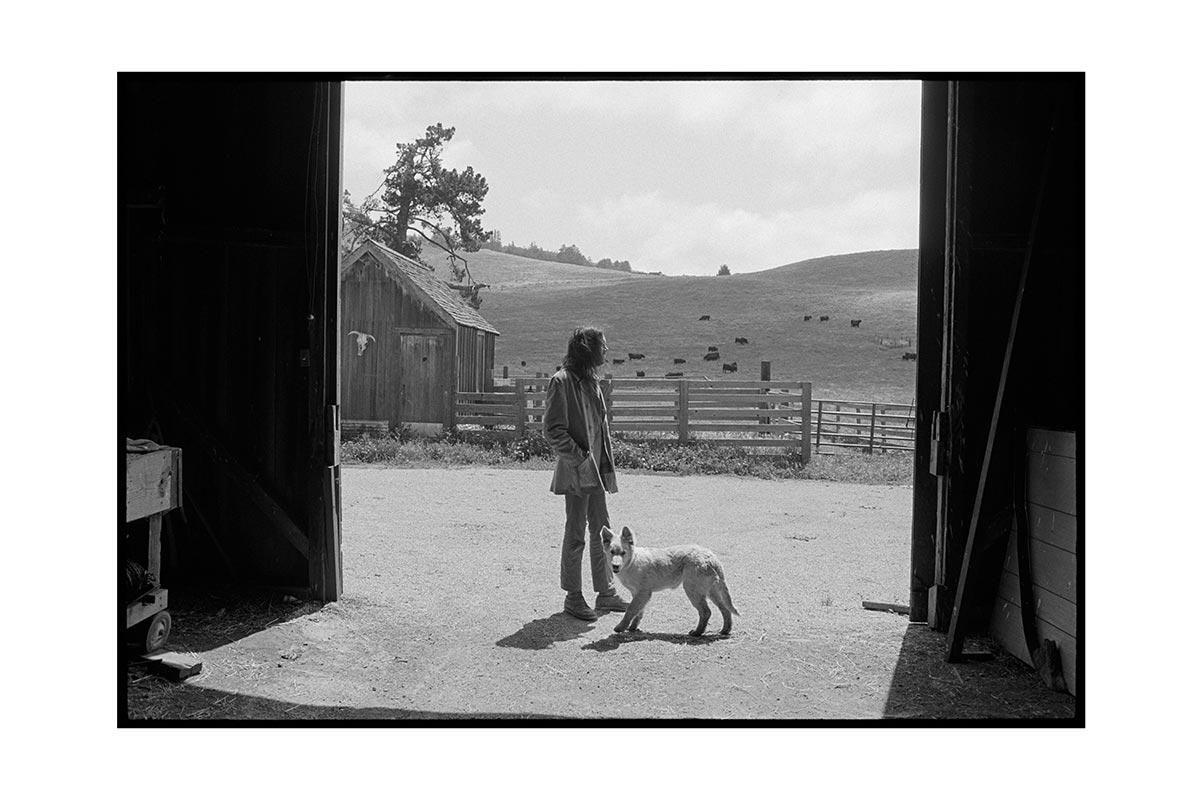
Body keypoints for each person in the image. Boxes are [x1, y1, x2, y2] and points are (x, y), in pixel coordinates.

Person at [543, 327, 629, 620]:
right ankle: (573, 597)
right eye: (602, 346)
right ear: (587, 348)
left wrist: (601, 464)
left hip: (595, 472)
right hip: (577, 471)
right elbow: (553, 431)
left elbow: (597, 430)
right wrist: (580, 459)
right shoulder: (561, 382)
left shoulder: (592, 382)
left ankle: (605, 594)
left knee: (603, 531)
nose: (606, 351)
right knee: (576, 532)